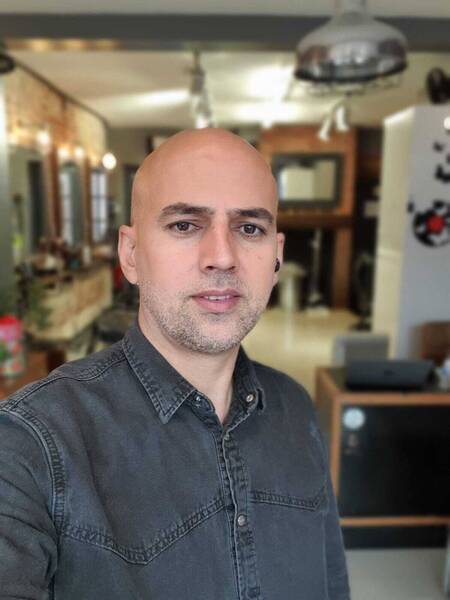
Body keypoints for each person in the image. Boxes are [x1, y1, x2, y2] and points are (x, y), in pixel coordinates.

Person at [0, 128, 350, 599]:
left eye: (249, 228)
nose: (222, 258)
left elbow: (331, 584)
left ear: (276, 258)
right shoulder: (32, 442)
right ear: (131, 255)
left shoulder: (295, 408)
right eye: (185, 225)